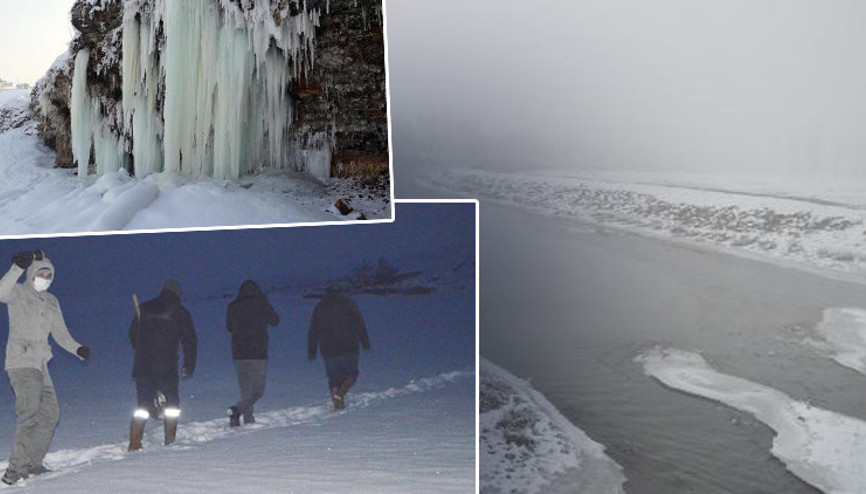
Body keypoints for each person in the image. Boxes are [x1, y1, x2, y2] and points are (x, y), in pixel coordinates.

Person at [0, 250, 90, 485]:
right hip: (21, 362)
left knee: (50, 415)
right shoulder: (18, 292)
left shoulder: (52, 301)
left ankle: (32, 463)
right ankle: (15, 469)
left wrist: (77, 348)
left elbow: (60, 333)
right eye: (41, 273)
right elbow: (1, 292)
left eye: (49, 275)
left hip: (41, 364)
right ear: (32, 274)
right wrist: (17, 268)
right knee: (29, 413)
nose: (45, 278)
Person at [127, 279, 197, 452]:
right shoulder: (180, 312)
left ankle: (134, 443)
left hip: (143, 367)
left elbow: (132, 334)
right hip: (167, 367)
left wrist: (142, 350)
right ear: (178, 294)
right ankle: (170, 441)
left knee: (142, 407)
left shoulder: (144, 308)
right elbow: (190, 341)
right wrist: (189, 364)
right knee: (172, 407)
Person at [225, 280, 280, 427]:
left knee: (246, 389)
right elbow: (275, 321)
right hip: (257, 352)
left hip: (238, 353)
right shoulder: (261, 304)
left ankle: (248, 420)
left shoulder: (233, 306)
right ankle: (237, 410)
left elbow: (229, 327)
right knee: (257, 391)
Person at [308, 285, 370, 410]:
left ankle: (337, 403)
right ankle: (341, 394)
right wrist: (365, 342)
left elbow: (313, 330)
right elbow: (359, 324)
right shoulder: (349, 304)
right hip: (349, 346)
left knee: (333, 378)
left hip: (328, 348)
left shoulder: (320, 307)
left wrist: (312, 350)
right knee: (352, 374)